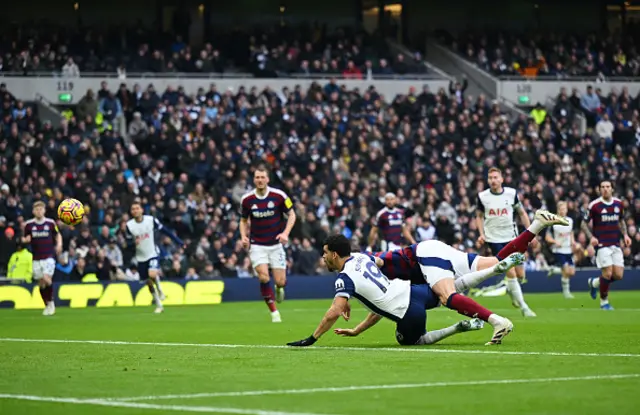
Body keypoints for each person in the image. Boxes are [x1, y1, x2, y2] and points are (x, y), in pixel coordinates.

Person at [287, 235, 500, 348]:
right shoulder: (361, 257)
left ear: (334, 255)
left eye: (325, 253)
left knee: (412, 341)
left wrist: (312, 338)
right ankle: (495, 269)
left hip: (408, 313)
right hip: (413, 291)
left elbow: (335, 312)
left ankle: (456, 328)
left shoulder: (345, 279)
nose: (323, 257)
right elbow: (379, 262)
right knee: (451, 291)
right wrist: (357, 326)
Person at [375, 209, 567, 304]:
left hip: (430, 255)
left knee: (447, 298)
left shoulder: (376, 265)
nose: (493, 180)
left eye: (495, 177)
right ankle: (537, 225)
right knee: (496, 262)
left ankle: (495, 320)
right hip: (440, 250)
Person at [476, 167, 537, 317]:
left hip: (512, 236)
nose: (493, 180)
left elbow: (522, 213)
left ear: (502, 179)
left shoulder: (512, 194)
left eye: (496, 177)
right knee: (510, 270)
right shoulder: (482, 196)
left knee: (520, 274)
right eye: (490, 178)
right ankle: (524, 308)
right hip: (494, 238)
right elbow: (478, 216)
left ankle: (511, 289)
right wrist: (481, 234)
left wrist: (530, 233)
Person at [240, 165, 296, 323]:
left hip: (275, 245)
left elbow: (292, 215)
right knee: (264, 277)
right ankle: (274, 313)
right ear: (254, 179)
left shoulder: (279, 196)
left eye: (262, 177)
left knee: (280, 281)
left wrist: (285, 233)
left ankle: (279, 288)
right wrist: (243, 236)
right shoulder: (247, 199)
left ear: (267, 179)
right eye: (257, 177)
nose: (260, 180)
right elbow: (243, 221)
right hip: (257, 245)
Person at [126, 201, 184, 313]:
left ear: (142, 210)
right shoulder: (129, 226)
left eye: (137, 208)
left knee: (152, 274)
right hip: (140, 257)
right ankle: (159, 304)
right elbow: (127, 243)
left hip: (152, 252)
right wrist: (133, 243)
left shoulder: (150, 220)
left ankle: (160, 290)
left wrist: (178, 241)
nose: (135, 210)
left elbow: (165, 231)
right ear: (131, 212)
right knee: (148, 282)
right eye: (133, 209)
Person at [582, 181, 631, 310]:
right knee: (608, 273)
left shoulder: (618, 204)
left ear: (612, 189)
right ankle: (604, 302)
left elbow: (621, 220)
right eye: (602, 187)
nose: (605, 189)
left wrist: (625, 235)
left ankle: (595, 283)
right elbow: (583, 223)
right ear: (599, 190)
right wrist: (591, 237)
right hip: (601, 243)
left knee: (618, 275)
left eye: (608, 187)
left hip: (615, 242)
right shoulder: (594, 205)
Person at [22, 201, 62, 316]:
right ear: (33, 211)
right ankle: (47, 304)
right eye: (37, 209)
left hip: (48, 256)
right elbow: (25, 238)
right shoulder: (29, 225)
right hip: (36, 257)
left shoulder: (50, 223)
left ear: (44, 210)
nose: (39, 211)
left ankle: (51, 303)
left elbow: (57, 234)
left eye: (41, 209)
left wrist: (59, 244)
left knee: (46, 278)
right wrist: (25, 240)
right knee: (41, 283)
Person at [545, 202, 577, 299]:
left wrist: (573, 241)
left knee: (572, 272)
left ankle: (554, 270)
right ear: (558, 210)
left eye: (564, 209)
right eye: (561, 209)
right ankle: (566, 293)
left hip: (568, 249)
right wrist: (555, 241)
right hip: (559, 250)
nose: (563, 211)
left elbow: (571, 232)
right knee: (566, 271)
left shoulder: (570, 221)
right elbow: (547, 237)